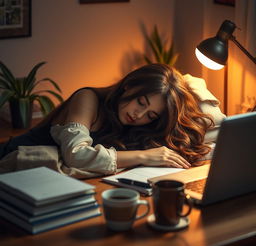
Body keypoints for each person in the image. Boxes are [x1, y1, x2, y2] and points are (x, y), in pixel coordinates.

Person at [0, 63, 214, 176]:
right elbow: (77, 155)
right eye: (141, 101)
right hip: (11, 162)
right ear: (129, 85)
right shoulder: (88, 99)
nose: (139, 115)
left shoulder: (134, 124)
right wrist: (145, 156)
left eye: (151, 115)